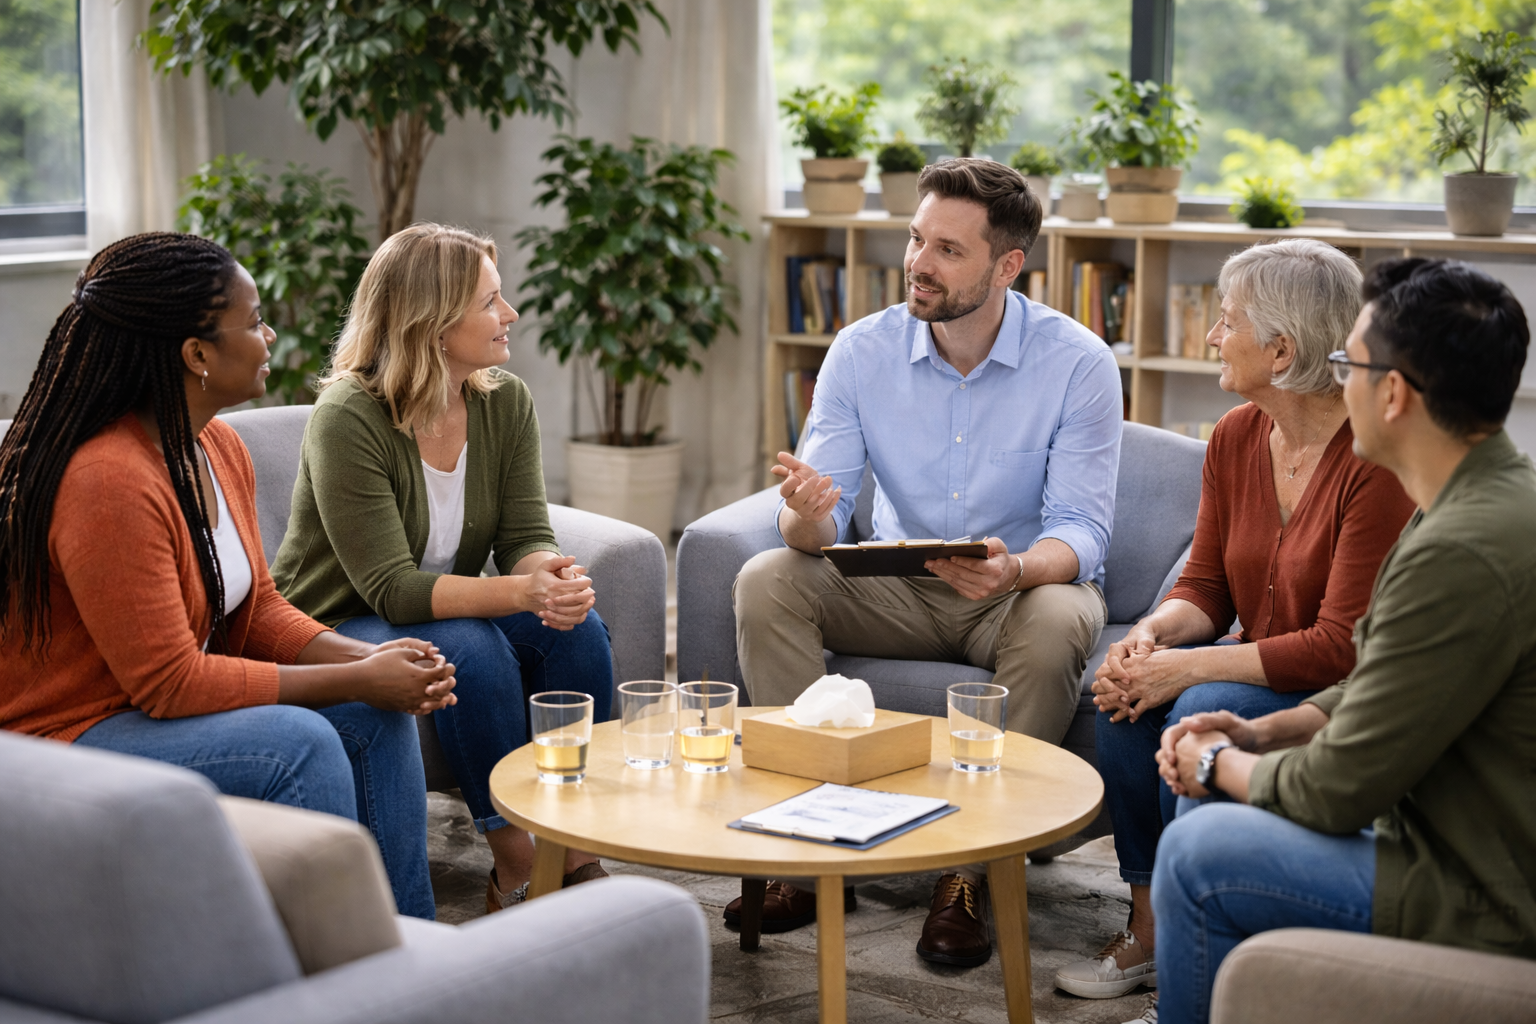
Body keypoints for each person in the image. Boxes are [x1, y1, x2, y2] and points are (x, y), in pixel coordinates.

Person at [0, 232, 458, 919]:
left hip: (140, 711)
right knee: (296, 746)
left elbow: (255, 611)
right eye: (253, 321)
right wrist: (356, 674)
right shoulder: (108, 481)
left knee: (374, 710)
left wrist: (371, 662)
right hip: (67, 738)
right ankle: (325, 974)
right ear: (197, 354)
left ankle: (408, 952)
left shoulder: (215, 445)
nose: (269, 334)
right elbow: (170, 684)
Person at [731, 159, 1121, 965]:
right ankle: (810, 844)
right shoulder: (860, 351)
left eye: (947, 248)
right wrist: (805, 518)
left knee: (1058, 619)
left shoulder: (1078, 363)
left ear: (1007, 266)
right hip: (896, 587)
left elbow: (1082, 530)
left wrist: (1015, 571)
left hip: (1017, 592)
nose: (918, 262)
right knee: (767, 578)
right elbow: (823, 520)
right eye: (916, 239)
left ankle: (969, 874)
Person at [1147, 257, 1536, 1024]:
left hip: (1483, 887)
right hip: (1454, 839)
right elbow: (1377, 686)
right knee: (1209, 809)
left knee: (1198, 854)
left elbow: (1335, 791)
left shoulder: (1458, 548)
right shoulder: (1477, 502)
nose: (1336, 383)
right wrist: (1260, 729)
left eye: (1346, 364)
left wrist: (1215, 759)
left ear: (1391, 394)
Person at [1056, 240, 1416, 1000]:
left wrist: (1184, 668)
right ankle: (1153, 930)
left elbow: (1335, 647)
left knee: (1187, 702)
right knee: (1122, 698)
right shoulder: (1234, 435)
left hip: (1334, 690)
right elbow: (1208, 585)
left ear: (1281, 350)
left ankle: (1206, 962)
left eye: (1227, 323)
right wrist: (1150, 636)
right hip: (1257, 661)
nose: (1214, 337)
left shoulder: (1373, 461)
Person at [273, 223, 614, 915]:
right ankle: (515, 862)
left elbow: (525, 532)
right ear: (430, 322)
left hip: (427, 604)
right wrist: (518, 590)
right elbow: (393, 590)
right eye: (491, 301)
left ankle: (579, 848)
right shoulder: (349, 415)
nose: (510, 314)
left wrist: (550, 576)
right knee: (466, 645)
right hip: (335, 620)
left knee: (576, 630)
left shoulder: (503, 401)